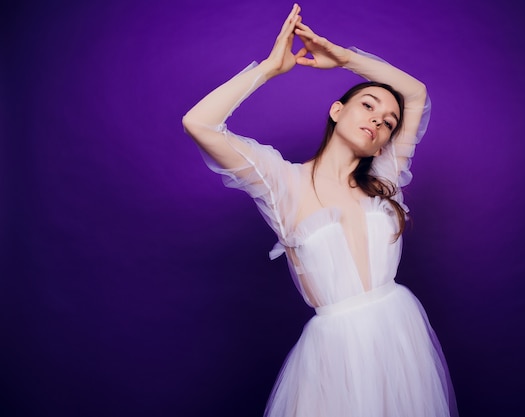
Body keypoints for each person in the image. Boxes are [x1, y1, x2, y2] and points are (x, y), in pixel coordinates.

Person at [183, 4, 457, 416]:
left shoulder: (385, 179)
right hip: (335, 355)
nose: (378, 121)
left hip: (400, 338)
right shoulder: (282, 184)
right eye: (368, 105)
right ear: (337, 110)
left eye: (388, 122)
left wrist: (346, 59)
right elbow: (198, 123)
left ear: (384, 144)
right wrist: (269, 69)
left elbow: (415, 93)